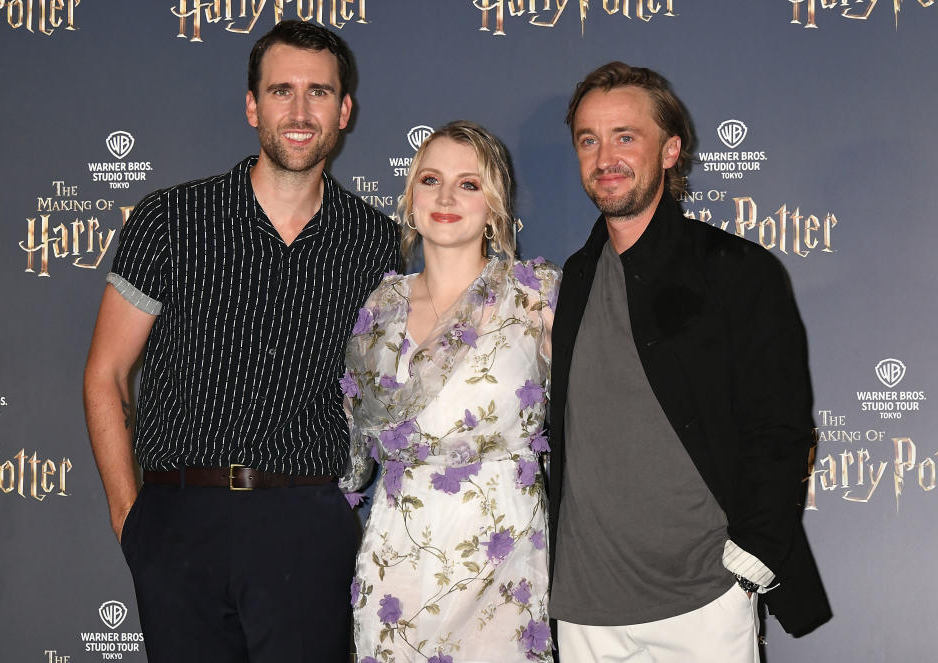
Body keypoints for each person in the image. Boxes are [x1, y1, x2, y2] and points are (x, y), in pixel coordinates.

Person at [82, 20, 398, 663]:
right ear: (254, 105)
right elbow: (106, 373)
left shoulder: (375, 242)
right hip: (179, 518)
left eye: (319, 92)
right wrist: (130, 518)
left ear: (345, 110)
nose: (301, 111)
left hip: (309, 519)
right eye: (282, 91)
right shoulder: (170, 219)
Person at [546, 62, 832, 662]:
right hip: (584, 606)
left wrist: (752, 553)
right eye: (588, 140)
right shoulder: (572, 279)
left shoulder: (738, 271)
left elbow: (779, 424)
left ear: (671, 148)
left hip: (704, 598)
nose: (606, 157)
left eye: (626, 136)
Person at [340, 120, 560, 663]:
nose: (445, 197)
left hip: (502, 560)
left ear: (495, 205)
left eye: (468, 183)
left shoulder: (535, 298)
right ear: (411, 196)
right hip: (397, 562)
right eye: (430, 179)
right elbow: (352, 448)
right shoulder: (380, 306)